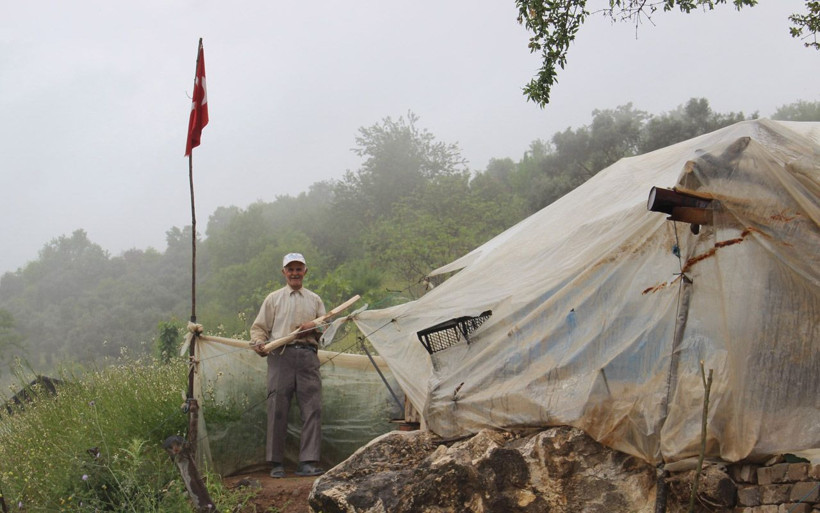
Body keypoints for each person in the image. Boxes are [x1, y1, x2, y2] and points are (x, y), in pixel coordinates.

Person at [251, 252, 326, 478]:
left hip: (307, 357)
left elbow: (327, 329)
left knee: (312, 408)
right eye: (290, 269)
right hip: (280, 356)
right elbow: (258, 329)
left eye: (298, 269)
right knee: (277, 408)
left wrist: (313, 327)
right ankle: (276, 464)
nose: (295, 273)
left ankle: (307, 463)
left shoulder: (315, 300)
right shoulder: (273, 299)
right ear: (284, 272)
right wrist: (259, 343)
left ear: (305, 271)